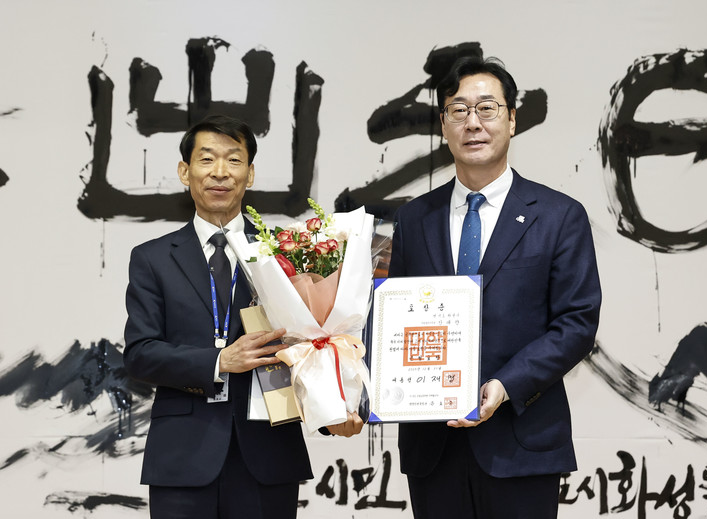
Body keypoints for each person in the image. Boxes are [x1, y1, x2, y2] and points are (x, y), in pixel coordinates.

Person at [388, 57, 602, 518]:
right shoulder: (413, 219)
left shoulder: (558, 216)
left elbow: (577, 324)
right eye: (458, 110)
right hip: (432, 447)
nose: (473, 123)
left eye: (487, 108)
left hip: (521, 441)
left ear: (512, 119)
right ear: (443, 124)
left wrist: (505, 385)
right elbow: (392, 320)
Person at [124, 115, 362, 519]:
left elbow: (314, 347)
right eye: (207, 159)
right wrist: (219, 361)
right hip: (183, 457)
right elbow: (140, 354)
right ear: (184, 171)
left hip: (268, 453)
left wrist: (334, 413)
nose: (220, 172)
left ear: (249, 174)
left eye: (234, 160)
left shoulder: (287, 253)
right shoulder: (152, 258)